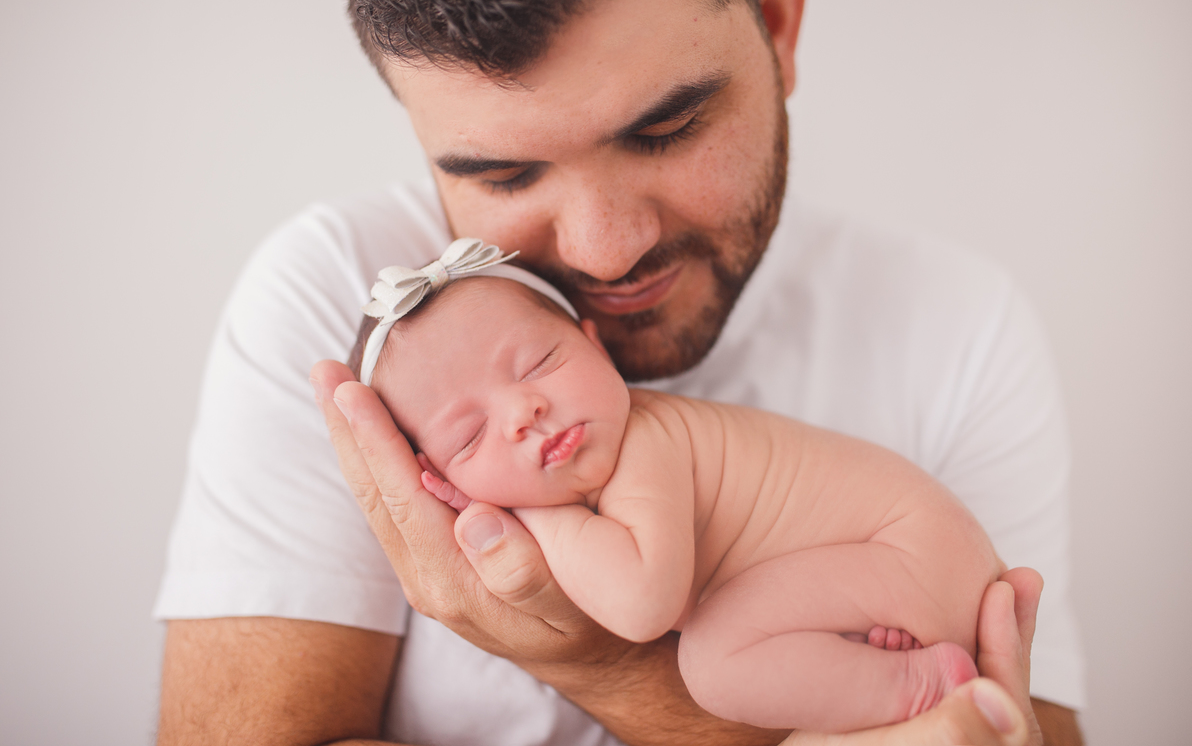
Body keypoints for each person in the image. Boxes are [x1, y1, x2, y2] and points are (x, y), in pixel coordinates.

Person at [155, 0, 1085, 744]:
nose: (606, 250)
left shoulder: (957, 325)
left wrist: (605, 667)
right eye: (503, 173)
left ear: (778, 19)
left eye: (666, 129)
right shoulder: (338, 302)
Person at [354, 246, 1003, 732]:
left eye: (539, 364)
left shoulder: (646, 442)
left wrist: (530, 514)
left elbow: (642, 608)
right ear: (438, 482)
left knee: (715, 662)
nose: (524, 412)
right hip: (891, 572)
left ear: (595, 347)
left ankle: (921, 683)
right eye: (469, 435)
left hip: (912, 553)